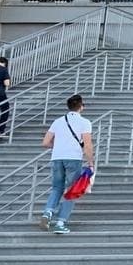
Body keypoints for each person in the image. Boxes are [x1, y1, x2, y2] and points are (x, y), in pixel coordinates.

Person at [38, 94, 93, 234]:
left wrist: (58, 146)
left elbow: (45, 142)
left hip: (57, 158)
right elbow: (87, 145)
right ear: (81, 107)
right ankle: (60, 223)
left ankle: (47, 213)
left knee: (57, 188)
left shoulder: (58, 121)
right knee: (71, 191)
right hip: (73, 158)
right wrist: (90, 163)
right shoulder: (85, 122)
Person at [0, 54, 10, 138]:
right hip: (0, 94)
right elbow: (7, 83)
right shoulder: (3, 69)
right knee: (5, 110)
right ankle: (1, 130)